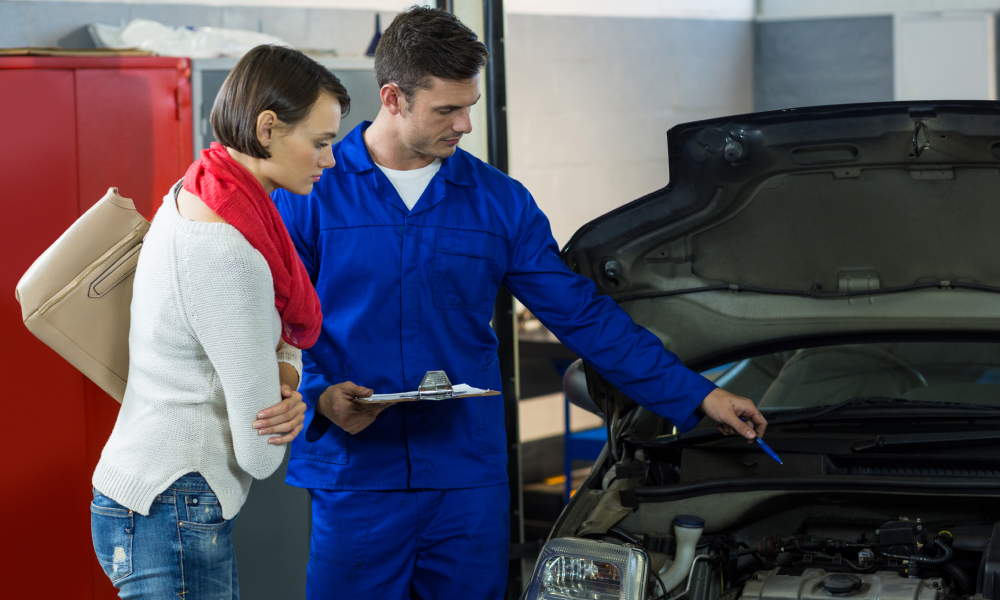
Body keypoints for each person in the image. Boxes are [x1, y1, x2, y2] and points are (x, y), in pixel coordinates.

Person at [273, 8, 767, 599]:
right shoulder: (310, 194)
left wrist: (698, 393)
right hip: (357, 478)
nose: (465, 125)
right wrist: (319, 395)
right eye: (447, 110)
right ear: (393, 98)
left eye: (471, 106)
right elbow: (274, 326)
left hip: (466, 481)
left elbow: (581, 314)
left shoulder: (498, 203)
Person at [89, 45, 350, 598]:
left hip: (153, 495)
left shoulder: (202, 190)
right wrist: (284, 401)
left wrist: (285, 374)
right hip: (173, 503)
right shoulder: (228, 251)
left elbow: (280, 340)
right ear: (268, 128)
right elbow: (259, 449)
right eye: (321, 142)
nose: (329, 160)